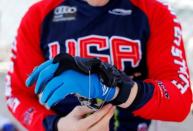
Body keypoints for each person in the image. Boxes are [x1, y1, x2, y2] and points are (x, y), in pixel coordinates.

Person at [5, 0, 192, 131]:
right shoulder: (39, 16)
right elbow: (16, 93)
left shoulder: (156, 13)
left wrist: (115, 90)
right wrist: (56, 126)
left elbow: (179, 101)